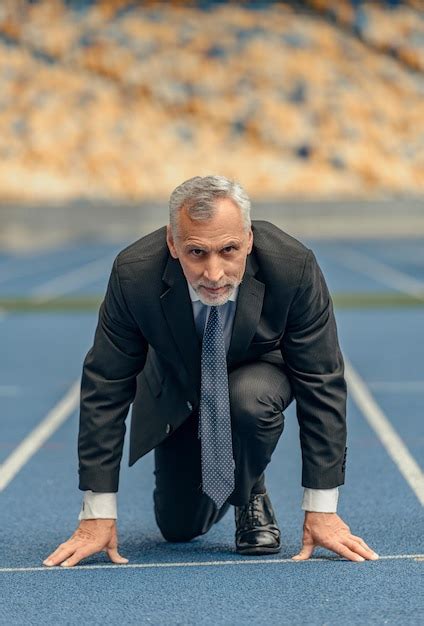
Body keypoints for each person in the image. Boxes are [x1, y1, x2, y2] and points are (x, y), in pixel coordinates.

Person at [43, 175, 378, 568]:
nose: (214, 273)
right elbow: (106, 384)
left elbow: (320, 381)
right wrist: (96, 514)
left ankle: (249, 489)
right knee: (179, 528)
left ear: (249, 240)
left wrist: (322, 508)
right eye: (197, 252)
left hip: (256, 377)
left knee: (249, 402)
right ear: (172, 243)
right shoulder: (134, 275)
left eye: (229, 250)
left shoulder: (293, 267)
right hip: (178, 386)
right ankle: (228, 478)